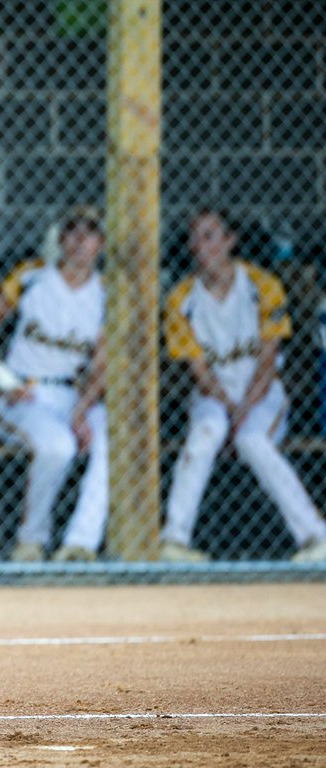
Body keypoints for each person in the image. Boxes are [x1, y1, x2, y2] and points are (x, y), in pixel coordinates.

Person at [160, 209, 326, 563]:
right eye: (195, 237)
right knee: (205, 434)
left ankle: (316, 536)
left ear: (230, 241)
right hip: (214, 394)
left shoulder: (262, 285)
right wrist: (227, 408)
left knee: (252, 439)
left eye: (209, 236)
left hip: (263, 393)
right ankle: (174, 539)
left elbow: (267, 359)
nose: (200, 246)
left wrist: (244, 410)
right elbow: (199, 371)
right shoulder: (180, 299)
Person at [0, 206, 109, 562]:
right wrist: (4, 380)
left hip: (73, 395)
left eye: (89, 233)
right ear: (60, 239)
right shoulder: (31, 278)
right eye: (72, 231)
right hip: (23, 394)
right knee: (58, 446)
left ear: (101, 243)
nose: (79, 240)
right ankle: (31, 541)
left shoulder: (107, 294)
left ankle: (81, 543)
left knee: (111, 438)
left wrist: (81, 409)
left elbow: (103, 365)